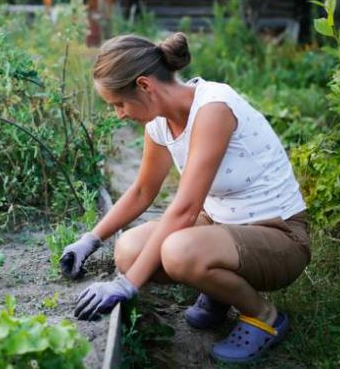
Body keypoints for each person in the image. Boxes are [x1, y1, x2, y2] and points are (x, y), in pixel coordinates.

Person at [60, 32, 311, 364]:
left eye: (119, 103)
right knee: (129, 251)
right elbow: (141, 192)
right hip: (221, 227)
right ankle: (221, 291)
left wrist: (126, 285)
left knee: (178, 253)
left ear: (145, 85)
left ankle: (265, 317)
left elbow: (186, 208)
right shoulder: (160, 125)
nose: (119, 114)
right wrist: (90, 240)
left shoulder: (213, 107)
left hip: (279, 236)